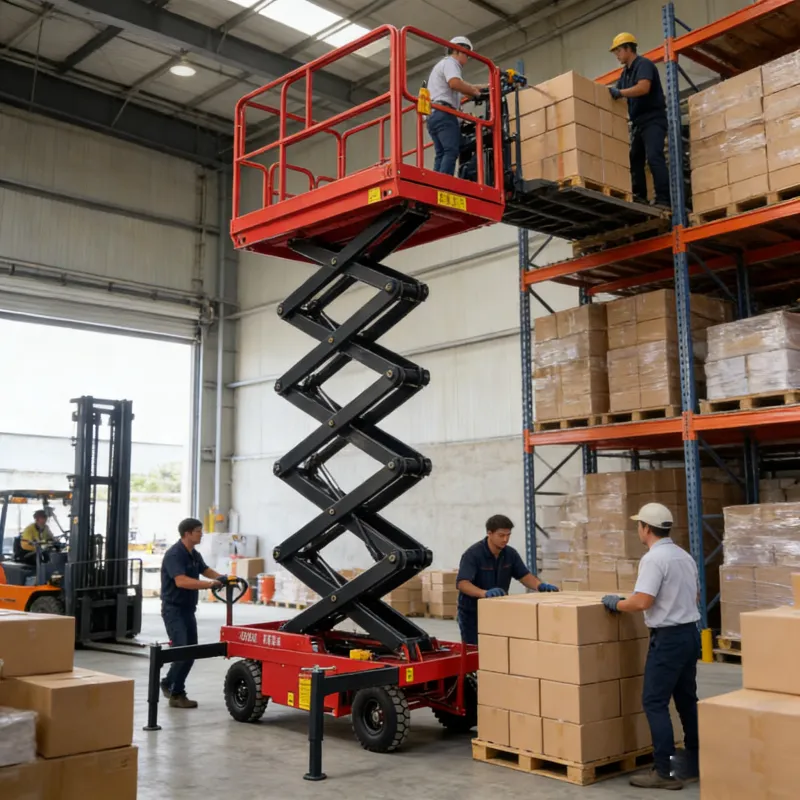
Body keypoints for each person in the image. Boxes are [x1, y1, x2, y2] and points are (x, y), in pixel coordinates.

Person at [602, 503, 700, 790]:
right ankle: (694, 763)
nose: (638, 530)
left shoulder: (654, 559)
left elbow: (642, 601)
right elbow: (693, 597)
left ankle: (664, 770)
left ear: (645, 528)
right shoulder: (683, 556)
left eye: (638, 525)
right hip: (689, 634)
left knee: (654, 702)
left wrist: (616, 603)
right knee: (686, 700)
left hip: (668, 639)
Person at [455, 514, 559, 645]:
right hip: (473, 614)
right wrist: (484, 593)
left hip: (498, 610)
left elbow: (524, 575)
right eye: (501, 535)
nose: (505, 539)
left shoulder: (510, 554)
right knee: (476, 651)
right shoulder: (473, 555)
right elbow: (462, 583)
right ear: (489, 533)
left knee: (499, 649)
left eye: (508, 535)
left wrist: (540, 585)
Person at [160, 517, 225, 708]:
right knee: (182, 651)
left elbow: (205, 570)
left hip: (188, 609)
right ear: (187, 533)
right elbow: (181, 581)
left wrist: (223, 577)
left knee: (191, 651)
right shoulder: (175, 555)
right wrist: (209, 585)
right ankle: (176, 693)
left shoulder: (193, 554)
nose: (201, 534)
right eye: (198, 531)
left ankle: (169, 683)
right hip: (174, 610)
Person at [608, 32, 671, 209]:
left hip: (653, 120)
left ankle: (664, 199)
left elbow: (643, 88)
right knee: (635, 159)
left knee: (654, 157)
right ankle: (640, 196)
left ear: (629, 48)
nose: (617, 55)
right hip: (639, 123)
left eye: (618, 51)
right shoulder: (625, 74)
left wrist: (620, 93)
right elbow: (615, 93)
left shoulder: (644, 65)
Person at [426, 35, 484, 176]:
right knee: (451, 150)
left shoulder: (443, 65)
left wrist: (486, 87)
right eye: (467, 54)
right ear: (459, 50)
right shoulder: (451, 63)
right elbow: (455, 84)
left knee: (441, 153)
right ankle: (444, 184)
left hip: (433, 115)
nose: (467, 59)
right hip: (444, 114)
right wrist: (476, 94)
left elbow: (464, 87)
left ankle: (436, 183)